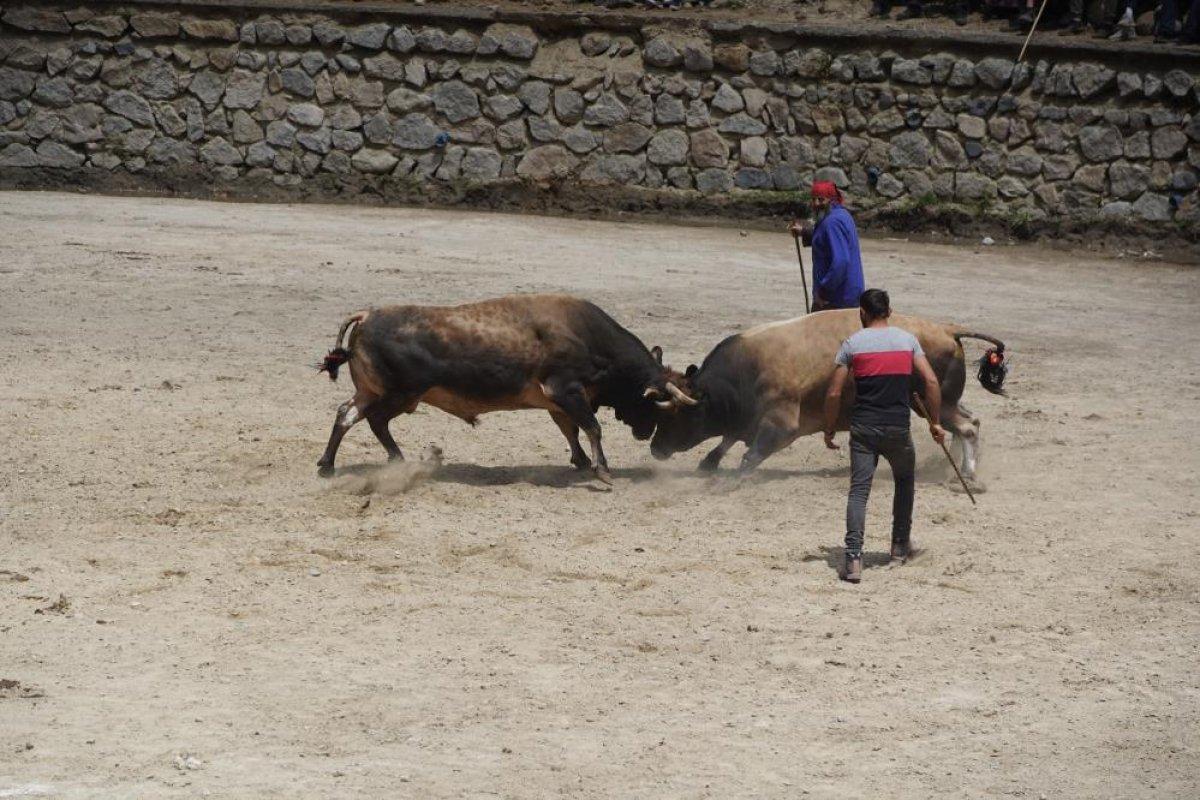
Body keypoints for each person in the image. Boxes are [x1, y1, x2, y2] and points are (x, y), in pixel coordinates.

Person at [822, 289, 947, 584]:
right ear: (888, 312)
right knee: (904, 482)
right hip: (897, 428)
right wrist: (936, 422)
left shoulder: (852, 344)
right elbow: (930, 380)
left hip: (863, 428)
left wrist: (829, 428)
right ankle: (899, 548)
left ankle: (853, 559)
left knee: (859, 491)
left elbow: (834, 392)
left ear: (862, 314)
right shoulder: (907, 341)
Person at [789, 181, 866, 312]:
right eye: (813, 199)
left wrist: (824, 289)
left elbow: (841, 261)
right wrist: (804, 232)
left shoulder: (832, 222)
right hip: (847, 293)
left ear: (831, 200)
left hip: (837, 297)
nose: (816, 204)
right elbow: (825, 237)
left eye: (821, 199)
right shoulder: (841, 215)